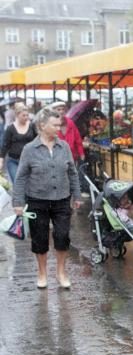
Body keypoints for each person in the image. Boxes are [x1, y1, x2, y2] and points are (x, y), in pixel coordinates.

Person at [12, 107, 82, 289]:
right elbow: (20, 177)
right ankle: (42, 273)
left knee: (62, 235)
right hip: (37, 200)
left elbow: (72, 173)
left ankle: (61, 272)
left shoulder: (64, 146)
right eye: (55, 125)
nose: (59, 128)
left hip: (61, 199)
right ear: (42, 126)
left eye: (60, 125)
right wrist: (18, 202)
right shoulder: (29, 149)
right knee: (40, 239)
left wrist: (77, 195)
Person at [0, 104, 36, 183]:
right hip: (14, 161)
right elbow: (5, 145)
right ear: (17, 115)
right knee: (17, 183)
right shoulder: (10, 128)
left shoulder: (32, 126)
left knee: (29, 185)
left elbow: (37, 140)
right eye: (24, 115)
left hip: (29, 160)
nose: (26, 117)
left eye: (27, 115)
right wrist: (1, 160)